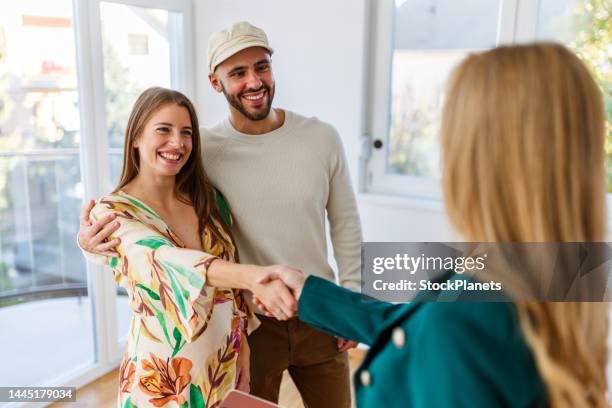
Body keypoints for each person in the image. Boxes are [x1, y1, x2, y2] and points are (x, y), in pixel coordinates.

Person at [256, 43, 609, 407]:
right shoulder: (565, 275)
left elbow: (440, 330)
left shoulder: (459, 324)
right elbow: (414, 328)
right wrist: (312, 294)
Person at [78, 22, 362, 407]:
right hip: (252, 325)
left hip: (315, 310)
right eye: (237, 73)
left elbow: (346, 224)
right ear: (216, 83)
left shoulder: (321, 137)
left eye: (261, 67)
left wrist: (353, 300)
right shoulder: (202, 151)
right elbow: (152, 245)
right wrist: (90, 245)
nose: (253, 81)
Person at [82, 87, 302, 407]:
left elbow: (230, 293)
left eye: (186, 133)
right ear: (135, 138)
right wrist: (257, 276)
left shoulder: (209, 201)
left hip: (221, 367)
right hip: (160, 383)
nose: (178, 142)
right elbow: (165, 260)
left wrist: (242, 346)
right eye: (163, 130)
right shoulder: (112, 213)